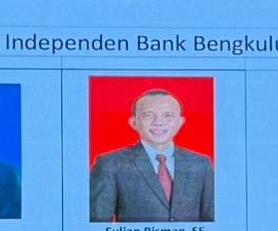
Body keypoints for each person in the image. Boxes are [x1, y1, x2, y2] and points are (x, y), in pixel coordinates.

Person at [90, 88, 214, 222]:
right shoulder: (110, 164)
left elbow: (213, 221)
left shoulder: (200, 164)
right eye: (148, 114)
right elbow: (97, 225)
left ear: (180, 122)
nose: (158, 122)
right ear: (134, 122)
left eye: (168, 115)